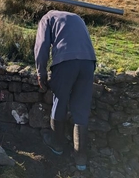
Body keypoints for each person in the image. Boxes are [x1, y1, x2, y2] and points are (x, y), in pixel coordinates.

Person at [34, 10, 96, 171]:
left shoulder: (46, 18)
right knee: (81, 108)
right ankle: (80, 158)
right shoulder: (77, 17)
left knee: (59, 101)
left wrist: (41, 73)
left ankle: (57, 145)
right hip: (88, 62)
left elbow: (42, 45)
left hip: (65, 62)